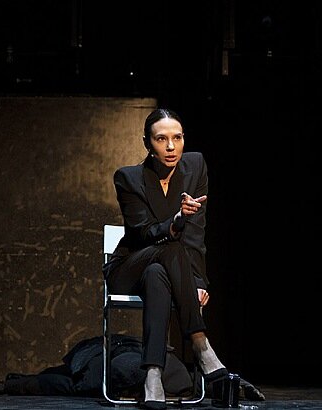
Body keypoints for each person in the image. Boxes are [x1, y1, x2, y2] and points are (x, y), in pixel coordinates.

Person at [103, 108, 231, 409]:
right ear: (147, 143)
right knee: (168, 248)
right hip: (128, 266)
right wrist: (175, 222)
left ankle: (153, 376)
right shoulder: (129, 178)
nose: (171, 146)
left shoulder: (195, 166)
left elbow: (195, 233)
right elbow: (143, 232)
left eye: (177, 138)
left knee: (157, 275)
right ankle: (199, 342)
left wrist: (197, 281)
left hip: (164, 269)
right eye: (161, 139)